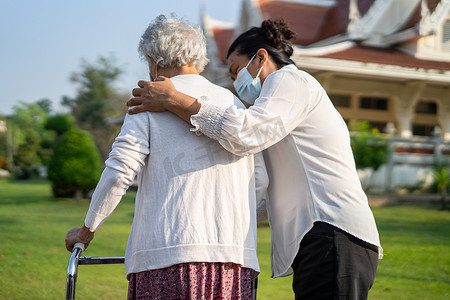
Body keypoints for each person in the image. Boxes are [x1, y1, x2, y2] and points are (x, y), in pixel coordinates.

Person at [126, 19, 383, 299]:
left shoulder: (290, 80)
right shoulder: (275, 109)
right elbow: (263, 190)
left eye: (236, 70)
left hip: (334, 232)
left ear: (261, 56)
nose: (237, 84)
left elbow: (244, 134)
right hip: (320, 239)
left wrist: (176, 100)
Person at [65, 15, 268, 300]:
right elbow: (260, 180)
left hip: (167, 257)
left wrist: (86, 230)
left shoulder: (148, 101)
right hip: (234, 264)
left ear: (153, 61)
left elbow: (119, 172)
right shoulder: (234, 103)